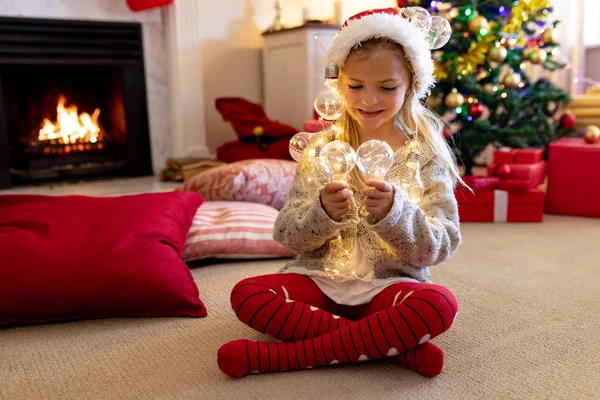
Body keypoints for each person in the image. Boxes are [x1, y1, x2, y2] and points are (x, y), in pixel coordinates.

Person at [217, 7, 465, 379]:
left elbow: (442, 243)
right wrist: (323, 213)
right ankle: (390, 350)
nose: (369, 99)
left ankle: (282, 359)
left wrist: (395, 214)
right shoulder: (321, 149)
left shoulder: (425, 156)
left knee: (438, 305)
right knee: (249, 295)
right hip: (319, 282)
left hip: (390, 288)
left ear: (412, 85)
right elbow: (286, 233)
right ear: (338, 83)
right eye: (355, 86)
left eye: (387, 87)